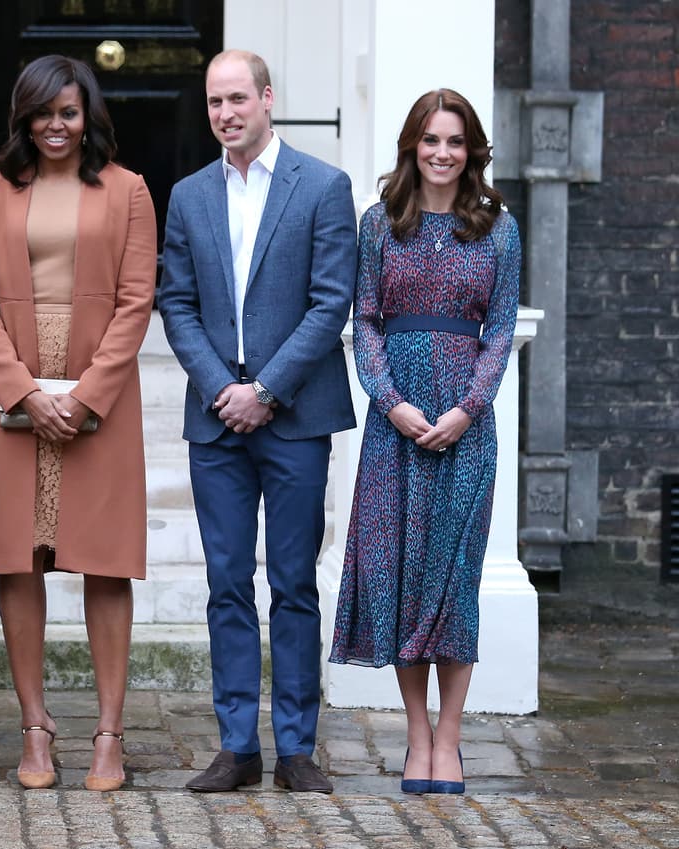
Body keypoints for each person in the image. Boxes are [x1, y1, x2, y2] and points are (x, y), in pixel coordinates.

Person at [0, 55, 156, 792]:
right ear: (23, 119)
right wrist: (23, 390)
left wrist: (88, 393)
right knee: (20, 556)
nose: (55, 126)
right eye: (41, 113)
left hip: (100, 392)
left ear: (87, 115)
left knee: (103, 559)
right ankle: (35, 728)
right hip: (12, 389)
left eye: (67, 112)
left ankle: (109, 734)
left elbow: (137, 301)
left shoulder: (129, 190)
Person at [157, 50, 357, 794]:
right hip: (217, 424)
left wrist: (267, 388)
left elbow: (330, 299)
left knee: (295, 582)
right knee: (226, 582)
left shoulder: (323, 186)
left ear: (268, 98)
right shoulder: (188, 195)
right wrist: (222, 387)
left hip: (297, 418)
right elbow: (174, 302)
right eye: (214, 102)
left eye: (238, 98)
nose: (225, 113)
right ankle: (237, 744)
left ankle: (297, 747)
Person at [329, 89, 521, 796]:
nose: (442, 153)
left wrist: (469, 407)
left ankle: (451, 738)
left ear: (472, 151)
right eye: (430, 140)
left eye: (456, 141)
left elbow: (500, 330)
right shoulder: (380, 223)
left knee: (453, 584)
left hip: (468, 430)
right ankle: (416, 735)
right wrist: (393, 403)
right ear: (413, 145)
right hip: (396, 428)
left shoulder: (499, 228)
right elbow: (367, 322)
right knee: (402, 578)